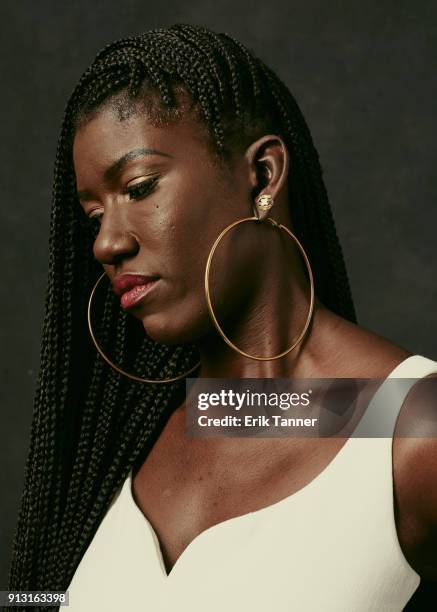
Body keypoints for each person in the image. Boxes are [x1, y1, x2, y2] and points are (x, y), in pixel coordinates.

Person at [8, 23, 437, 611]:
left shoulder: (409, 427)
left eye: (138, 186)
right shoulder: (121, 443)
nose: (106, 243)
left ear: (261, 176)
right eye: (92, 214)